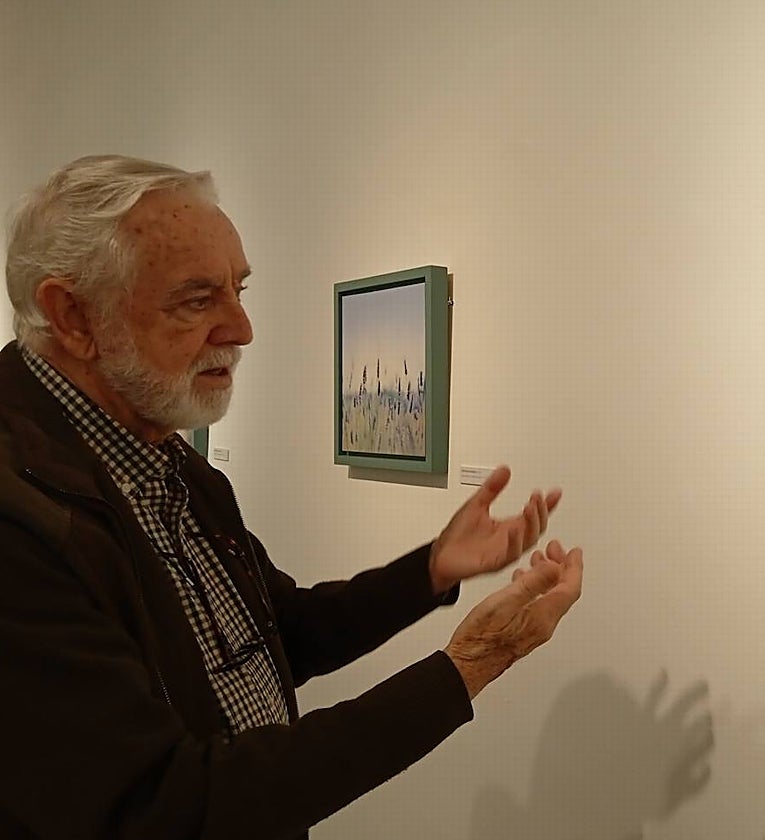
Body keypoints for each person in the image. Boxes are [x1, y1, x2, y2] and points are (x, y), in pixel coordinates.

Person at [0, 155, 584, 839]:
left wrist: (430, 570)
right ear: (73, 317)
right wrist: (469, 666)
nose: (241, 329)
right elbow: (169, 803)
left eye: (238, 290)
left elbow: (278, 631)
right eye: (196, 300)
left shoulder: (170, 462)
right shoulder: (21, 520)